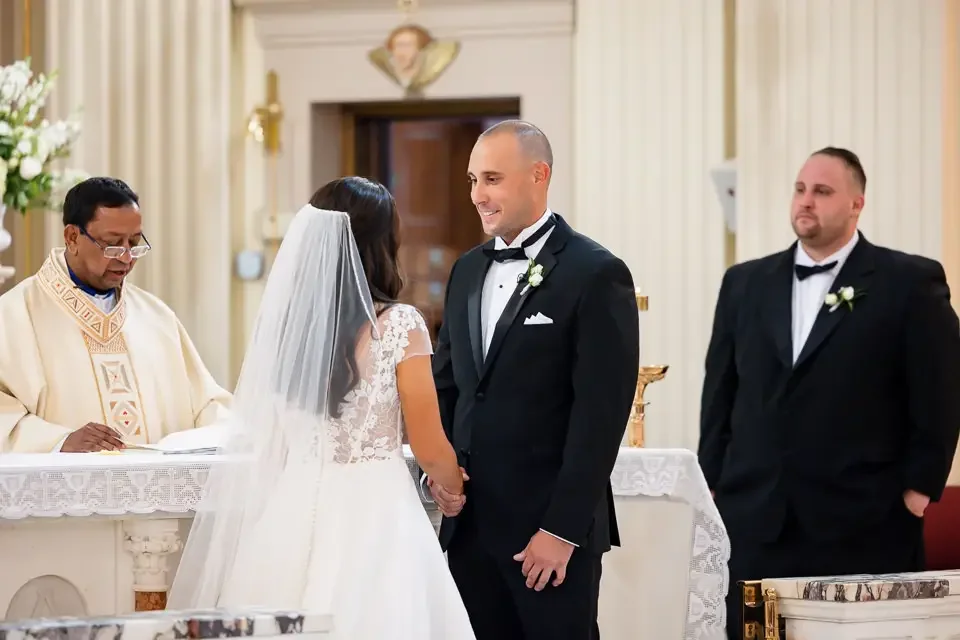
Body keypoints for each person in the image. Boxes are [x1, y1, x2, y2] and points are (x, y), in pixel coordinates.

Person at [168, 177, 476, 639]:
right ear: (378, 244)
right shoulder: (400, 325)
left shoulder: (292, 332)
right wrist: (452, 485)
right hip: (375, 511)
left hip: (291, 507)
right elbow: (429, 444)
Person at [698, 147, 960, 638]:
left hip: (865, 517)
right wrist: (713, 483)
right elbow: (720, 392)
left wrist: (917, 492)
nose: (806, 201)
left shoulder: (908, 283)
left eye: (822, 191)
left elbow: (940, 393)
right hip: (756, 514)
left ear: (857, 203)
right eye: (800, 189)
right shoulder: (744, 283)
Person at [428, 120, 639, 640]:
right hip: (470, 531)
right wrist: (441, 471)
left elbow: (601, 416)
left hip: (547, 537)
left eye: (492, 179)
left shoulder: (595, 273)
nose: (478, 195)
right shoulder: (466, 270)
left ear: (538, 175)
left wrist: (561, 530)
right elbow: (450, 386)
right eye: (473, 180)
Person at [0, 177, 231, 453]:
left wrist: (229, 431)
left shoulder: (157, 317)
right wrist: (59, 442)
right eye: (112, 244)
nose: (126, 257)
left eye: (134, 243)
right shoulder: (15, 315)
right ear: (72, 237)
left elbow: (207, 403)